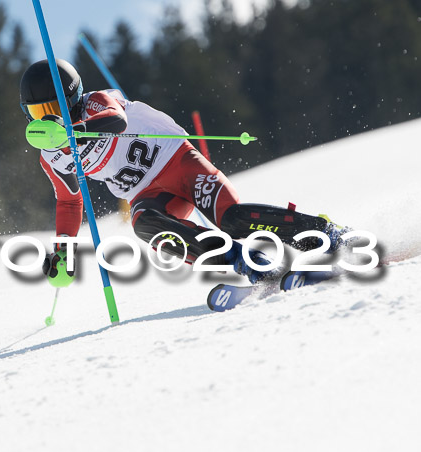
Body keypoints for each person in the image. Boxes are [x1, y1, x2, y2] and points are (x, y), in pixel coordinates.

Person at [19, 59, 349, 284]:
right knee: (144, 224)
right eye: (36, 113)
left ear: (72, 97)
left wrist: (73, 130)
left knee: (231, 219)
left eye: (52, 108)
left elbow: (115, 121)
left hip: (179, 162)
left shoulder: (95, 103)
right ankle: (245, 261)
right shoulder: (51, 157)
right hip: (148, 194)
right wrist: (64, 252)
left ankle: (323, 232)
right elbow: (69, 203)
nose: (46, 120)